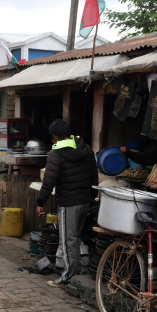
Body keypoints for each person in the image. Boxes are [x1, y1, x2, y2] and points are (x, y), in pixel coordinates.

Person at [36, 119, 98, 289]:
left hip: (69, 203)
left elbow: (49, 181)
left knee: (68, 240)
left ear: (55, 136)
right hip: (84, 201)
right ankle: (74, 271)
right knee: (74, 237)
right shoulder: (85, 148)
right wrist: (92, 197)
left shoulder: (55, 153)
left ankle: (67, 278)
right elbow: (94, 175)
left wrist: (40, 201)